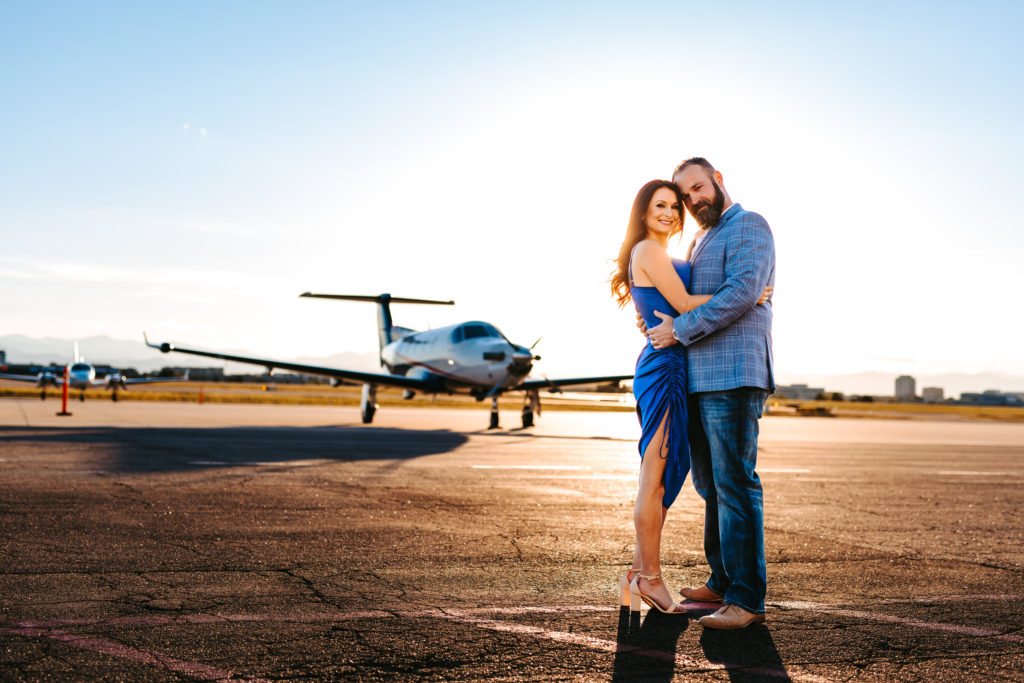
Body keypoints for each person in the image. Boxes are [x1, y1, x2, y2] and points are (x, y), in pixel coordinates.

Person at [610, 180, 771, 615]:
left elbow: (661, 303)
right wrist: (748, 295)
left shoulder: (665, 251)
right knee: (655, 479)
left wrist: (650, 319)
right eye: (659, 205)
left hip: (678, 366)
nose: (669, 212)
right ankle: (650, 578)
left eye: (674, 206)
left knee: (669, 475)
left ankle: (635, 572)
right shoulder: (648, 249)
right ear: (642, 212)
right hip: (665, 369)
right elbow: (681, 302)